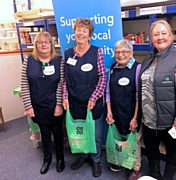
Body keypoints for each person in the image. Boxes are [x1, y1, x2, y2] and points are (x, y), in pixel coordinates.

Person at [137, 20, 176, 180]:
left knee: (172, 151)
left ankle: (168, 177)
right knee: (151, 149)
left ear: (171, 37)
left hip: (171, 121)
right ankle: (154, 174)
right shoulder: (149, 58)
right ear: (151, 38)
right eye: (156, 34)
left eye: (164, 33)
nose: (160, 37)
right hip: (149, 119)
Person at [62, 18, 106, 178]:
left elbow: (102, 78)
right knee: (78, 132)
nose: (80, 33)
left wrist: (94, 97)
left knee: (95, 133)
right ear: (74, 32)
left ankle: (95, 161)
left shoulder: (96, 52)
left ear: (89, 35)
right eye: (78, 30)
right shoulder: (68, 54)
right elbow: (65, 79)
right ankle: (81, 156)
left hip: (92, 103)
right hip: (74, 101)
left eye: (84, 30)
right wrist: (65, 97)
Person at [21, 31, 65, 174]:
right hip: (37, 106)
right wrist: (28, 106)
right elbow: (24, 84)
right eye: (40, 42)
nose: (43, 44)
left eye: (47, 42)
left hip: (54, 106)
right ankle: (47, 159)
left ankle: (60, 159)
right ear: (36, 45)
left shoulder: (59, 61)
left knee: (58, 133)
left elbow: (61, 84)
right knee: (44, 133)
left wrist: (59, 104)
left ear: (52, 45)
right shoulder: (28, 61)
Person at [106, 39, 142, 180]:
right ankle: (123, 161)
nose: (120, 55)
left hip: (131, 111)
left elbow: (139, 96)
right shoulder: (114, 67)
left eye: (124, 51)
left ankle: (136, 168)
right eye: (117, 52)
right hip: (116, 111)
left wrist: (135, 117)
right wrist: (109, 111)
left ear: (131, 53)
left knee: (134, 141)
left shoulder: (137, 68)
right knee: (121, 139)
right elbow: (108, 91)